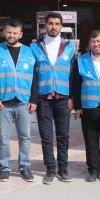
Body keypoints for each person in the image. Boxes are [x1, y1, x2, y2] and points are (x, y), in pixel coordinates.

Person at [30, 12, 74, 184]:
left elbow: (72, 75)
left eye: (57, 23)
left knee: (63, 136)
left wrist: (72, 97)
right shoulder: (35, 46)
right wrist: (33, 99)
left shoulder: (69, 47)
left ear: (61, 26)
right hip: (43, 98)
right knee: (46, 136)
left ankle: (63, 169)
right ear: (45, 25)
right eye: (50, 23)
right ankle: (50, 169)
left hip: (63, 97)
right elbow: (32, 76)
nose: (54, 26)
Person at [0, 19, 37, 182]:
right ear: (4, 32)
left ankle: (24, 166)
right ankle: (4, 167)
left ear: (20, 34)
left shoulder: (29, 52)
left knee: (25, 137)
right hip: (3, 101)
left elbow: (34, 77)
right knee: (3, 137)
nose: (11, 35)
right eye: (9, 32)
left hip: (23, 101)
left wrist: (34, 99)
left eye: (15, 32)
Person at [71, 30, 100, 182]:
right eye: (93, 41)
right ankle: (93, 169)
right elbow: (76, 85)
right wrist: (77, 107)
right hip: (88, 107)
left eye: (99, 41)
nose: (96, 44)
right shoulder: (81, 60)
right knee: (90, 141)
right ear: (89, 43)